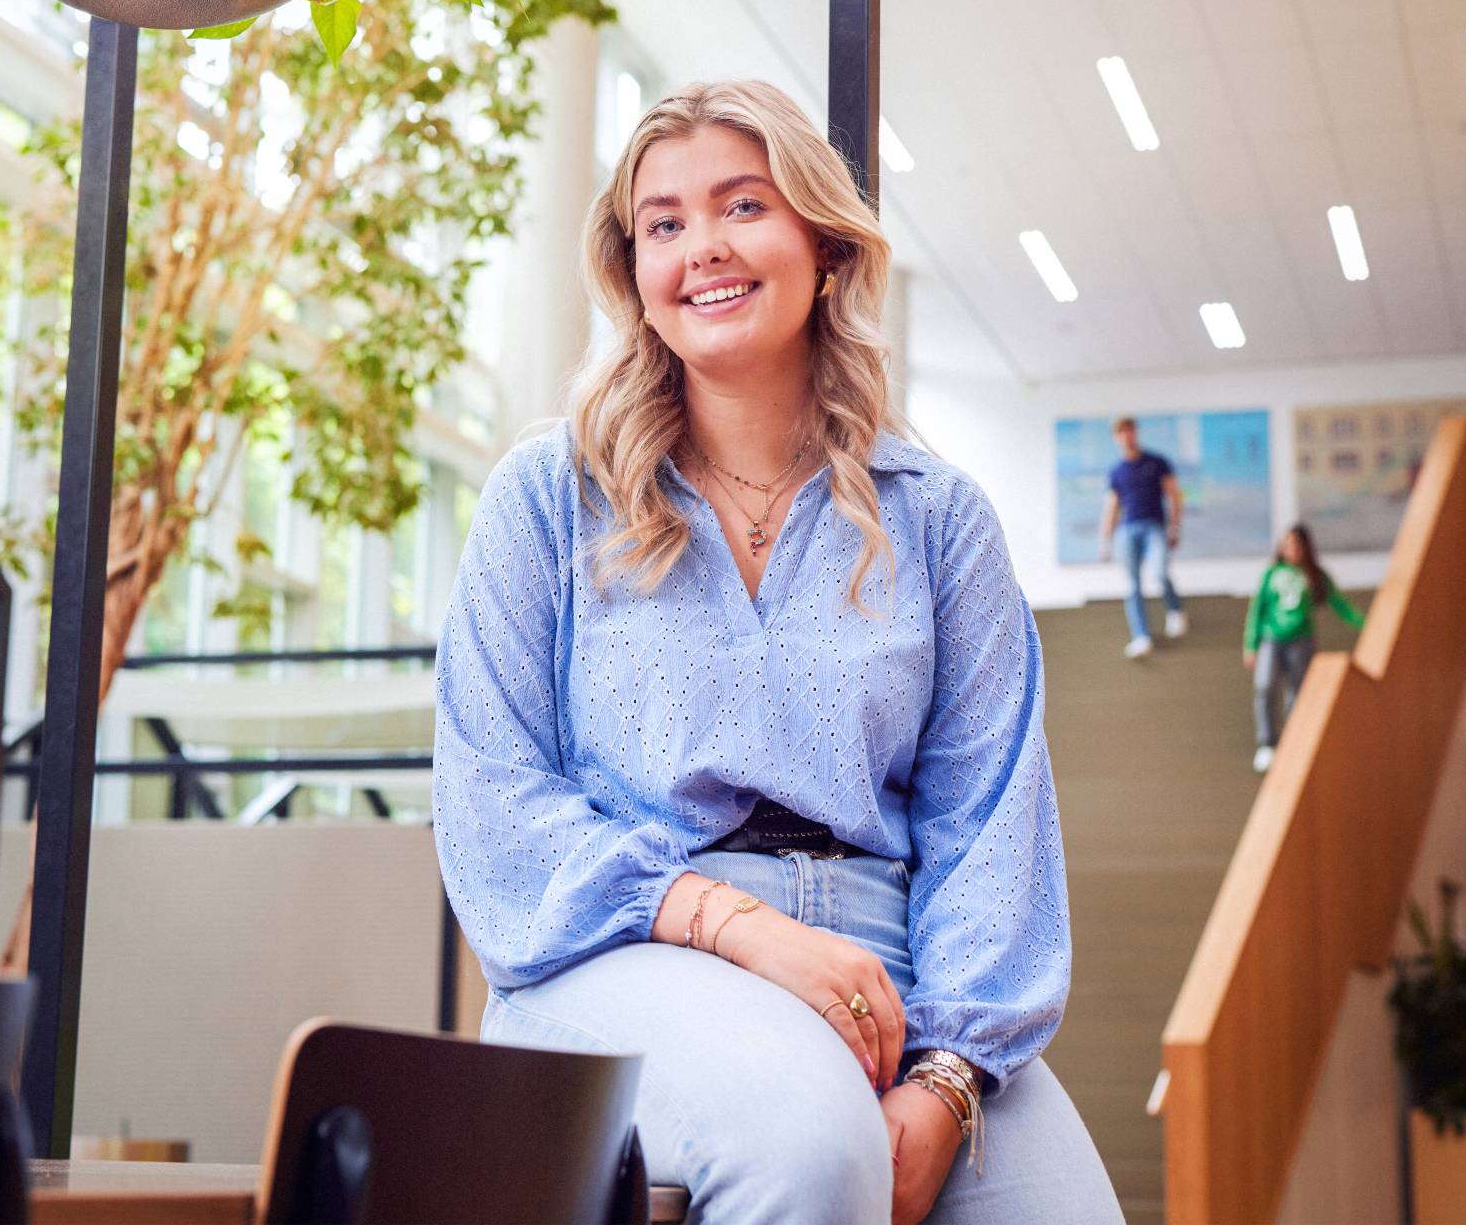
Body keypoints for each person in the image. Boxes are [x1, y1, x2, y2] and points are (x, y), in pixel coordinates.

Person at [433, 80, 1120, 1225]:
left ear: (822, 242)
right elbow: (492, 804)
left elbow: (990, 825)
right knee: (812, 1145)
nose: (701, 246)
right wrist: (740, 925)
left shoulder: (939, 517)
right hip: (627, 955)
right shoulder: (546, 497)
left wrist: (949, 1077)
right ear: (635, 273)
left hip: (894, 974)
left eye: (741, 205)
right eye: (664, 223)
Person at [1243, 523, 1364, 772]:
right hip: (1271, 638)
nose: (1293, 549)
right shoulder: (1272, 574)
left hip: (1302, 640)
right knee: (1265, 685)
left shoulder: (1315, 575)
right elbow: (1257, 610)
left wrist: (1366, 624)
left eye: (1297, 544)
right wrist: (1250, 644)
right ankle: (1267, 743)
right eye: (1288, 544)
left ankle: (1293, 743)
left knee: (1298, 694)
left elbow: (1341, 606)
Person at [1096, 417, 1185, 658]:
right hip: (1127, 530)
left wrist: (1175, 528)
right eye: (1121, 433)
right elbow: (1112, 506)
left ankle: (1175, 609)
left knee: (1160, 572)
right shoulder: (1117, 471)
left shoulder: (1157, 462)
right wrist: (1105, 540)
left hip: (1154, 526)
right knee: (1133, 585)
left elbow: (1174, 496)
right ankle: (1142, 636)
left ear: (1136, 433)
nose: (1126, 437)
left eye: (1129, 431)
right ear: (1117, 438)